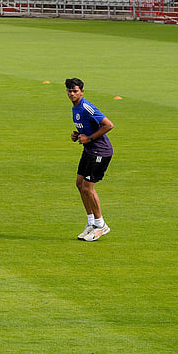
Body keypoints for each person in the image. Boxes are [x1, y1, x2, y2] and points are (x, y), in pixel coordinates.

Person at [67, 77, 114, 241]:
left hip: (100, 152)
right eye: (70, 91)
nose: (72, 94)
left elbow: (108, 125)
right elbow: (86, 127)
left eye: (75, 91)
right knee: (79, 184)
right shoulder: (75, 108)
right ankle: (91, 223)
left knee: (88, 188)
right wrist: (77, 135)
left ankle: (101, 225)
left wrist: (90, 138)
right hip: (89, 151)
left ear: (82, 91)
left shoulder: (87, 107)